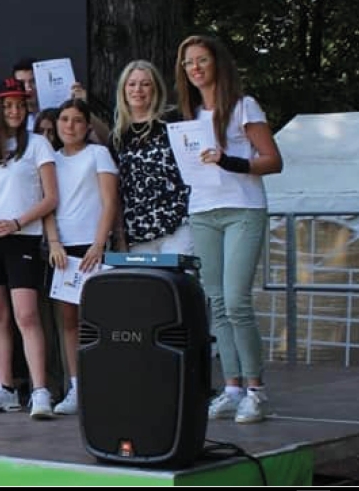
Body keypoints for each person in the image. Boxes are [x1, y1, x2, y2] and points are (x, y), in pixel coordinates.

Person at [175, 35, 283, 424]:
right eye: (188, 63)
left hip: (242, 209)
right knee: (217, 302)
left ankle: (256, 391)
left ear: (217, 63)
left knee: (237, 300)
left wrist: (229, 162)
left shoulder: (243, 106)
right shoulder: (189, 115)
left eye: (202, 60)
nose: (195, 68)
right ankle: (233, 387)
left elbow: (273, 160)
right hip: (203, 210)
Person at [0, 78, 59, 419]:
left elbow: (51, 198)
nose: (14, 111)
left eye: (20, 104)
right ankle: (5, 387)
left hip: (22, 236)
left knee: (27, 314)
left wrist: (18, 223)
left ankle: (40, 391)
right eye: (7, 105)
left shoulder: (38, 144)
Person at [43, 98, 119, 415]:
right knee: (69, 320)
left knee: (98, 318)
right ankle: (76, 386)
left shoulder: (97, 154)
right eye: (64, 119)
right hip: (64, 249)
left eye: (76, 120)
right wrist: (54, 243)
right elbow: (48, 204)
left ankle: (104, 384)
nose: (69, 126)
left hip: (93, 246)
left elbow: (110, 201)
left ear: (87, 126)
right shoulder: (51, 159)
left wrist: (99, 244)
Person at [110, 60, 192, 255]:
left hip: (178, 225)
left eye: (145, 84)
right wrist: (120, 236)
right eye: (131, 84)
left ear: (156, 89)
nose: (137, 90)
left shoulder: (173, 122)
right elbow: (115, 190)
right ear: (123, 90)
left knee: (178, 275)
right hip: (137, 232)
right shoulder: (117, 137)